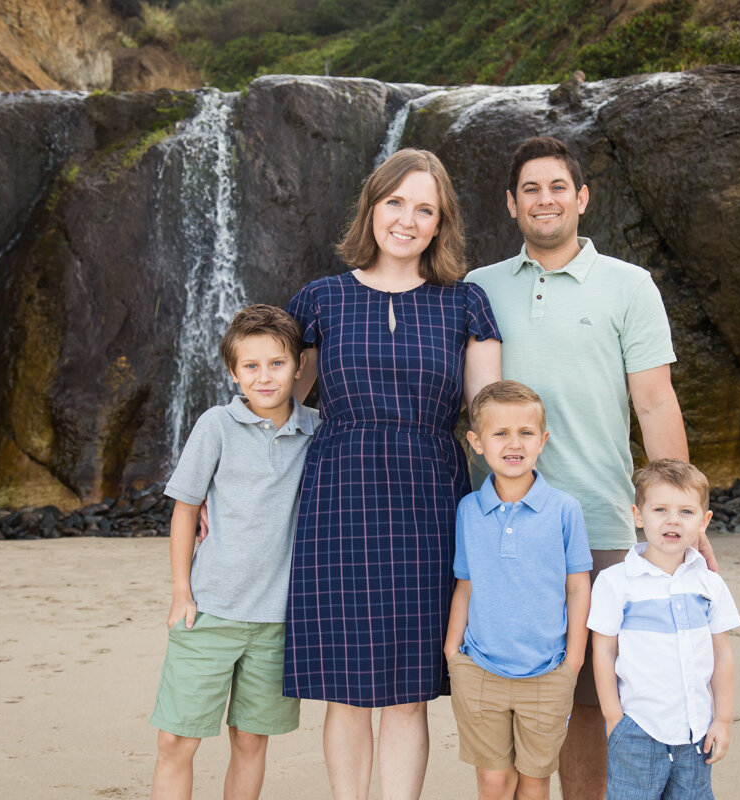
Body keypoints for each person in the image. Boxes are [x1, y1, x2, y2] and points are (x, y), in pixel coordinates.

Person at [464, 136, 715, 800]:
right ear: (511, 204)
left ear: (581, 197)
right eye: (530, 190)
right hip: (501, 528)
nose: (544, 199)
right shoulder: (477, 289)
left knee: (588, 697)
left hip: (600, 521)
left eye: (557, 187)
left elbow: (655, 399)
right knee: (509, 690)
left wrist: (682, 514)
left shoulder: (630, 286)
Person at [284, 148, 502, 799]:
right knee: (347, 694)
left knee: (409, 694)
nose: (407, 220)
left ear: (441, 225)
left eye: (424, 209)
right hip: (337, 502)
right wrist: (218, 489)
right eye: (396, 203)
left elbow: (491, 423)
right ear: (372, 207)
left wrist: (508, 521)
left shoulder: (467, 304)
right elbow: (274, 412)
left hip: (429, 502)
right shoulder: (320, 299)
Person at [150, 304, 320, 800]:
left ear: (297, 367)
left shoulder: (317, 431)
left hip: (276, 621)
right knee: (176, 739)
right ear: (233, 371)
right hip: (209, 610)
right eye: (251, 366)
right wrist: (181, 592)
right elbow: (185, 509)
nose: (264, 377)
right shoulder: (215, 426)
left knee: (251, 741)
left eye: (277, 364)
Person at [445, 380, 593, 800]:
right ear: (476, 442)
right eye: (500, 433)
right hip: (480, 670)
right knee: (494, 781)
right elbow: (465, 585)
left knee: (534, 781)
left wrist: (574, 660)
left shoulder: (565, 510)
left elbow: (578, 588)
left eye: (525, 432)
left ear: (543, 440)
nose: (514, 443)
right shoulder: (469, 510)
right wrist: (453, 653)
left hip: (548, 672)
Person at [588, 459, 740, 799]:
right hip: (638, 728)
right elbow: (603, 651)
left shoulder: (709, 584)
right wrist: (614, 718)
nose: (673, 520)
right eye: (660, 509)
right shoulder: (616, 583)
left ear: (705, 520)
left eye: (686, 512)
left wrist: (723, 720)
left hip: (696, 731)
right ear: (638, 516)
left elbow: (722, 654)